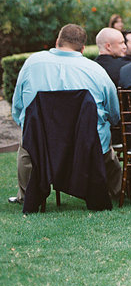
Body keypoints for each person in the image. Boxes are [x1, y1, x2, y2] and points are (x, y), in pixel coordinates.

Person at [10, 24, 122, 206]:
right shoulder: (95, 71)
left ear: (57, 42)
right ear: (83, 48)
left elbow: (18, 106)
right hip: (85, 141)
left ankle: (26, 195)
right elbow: (113, 112)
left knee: (27, 147)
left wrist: (26, 125)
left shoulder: (33, 63)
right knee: (105, 147)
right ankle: (116, 191)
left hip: (42, 140)